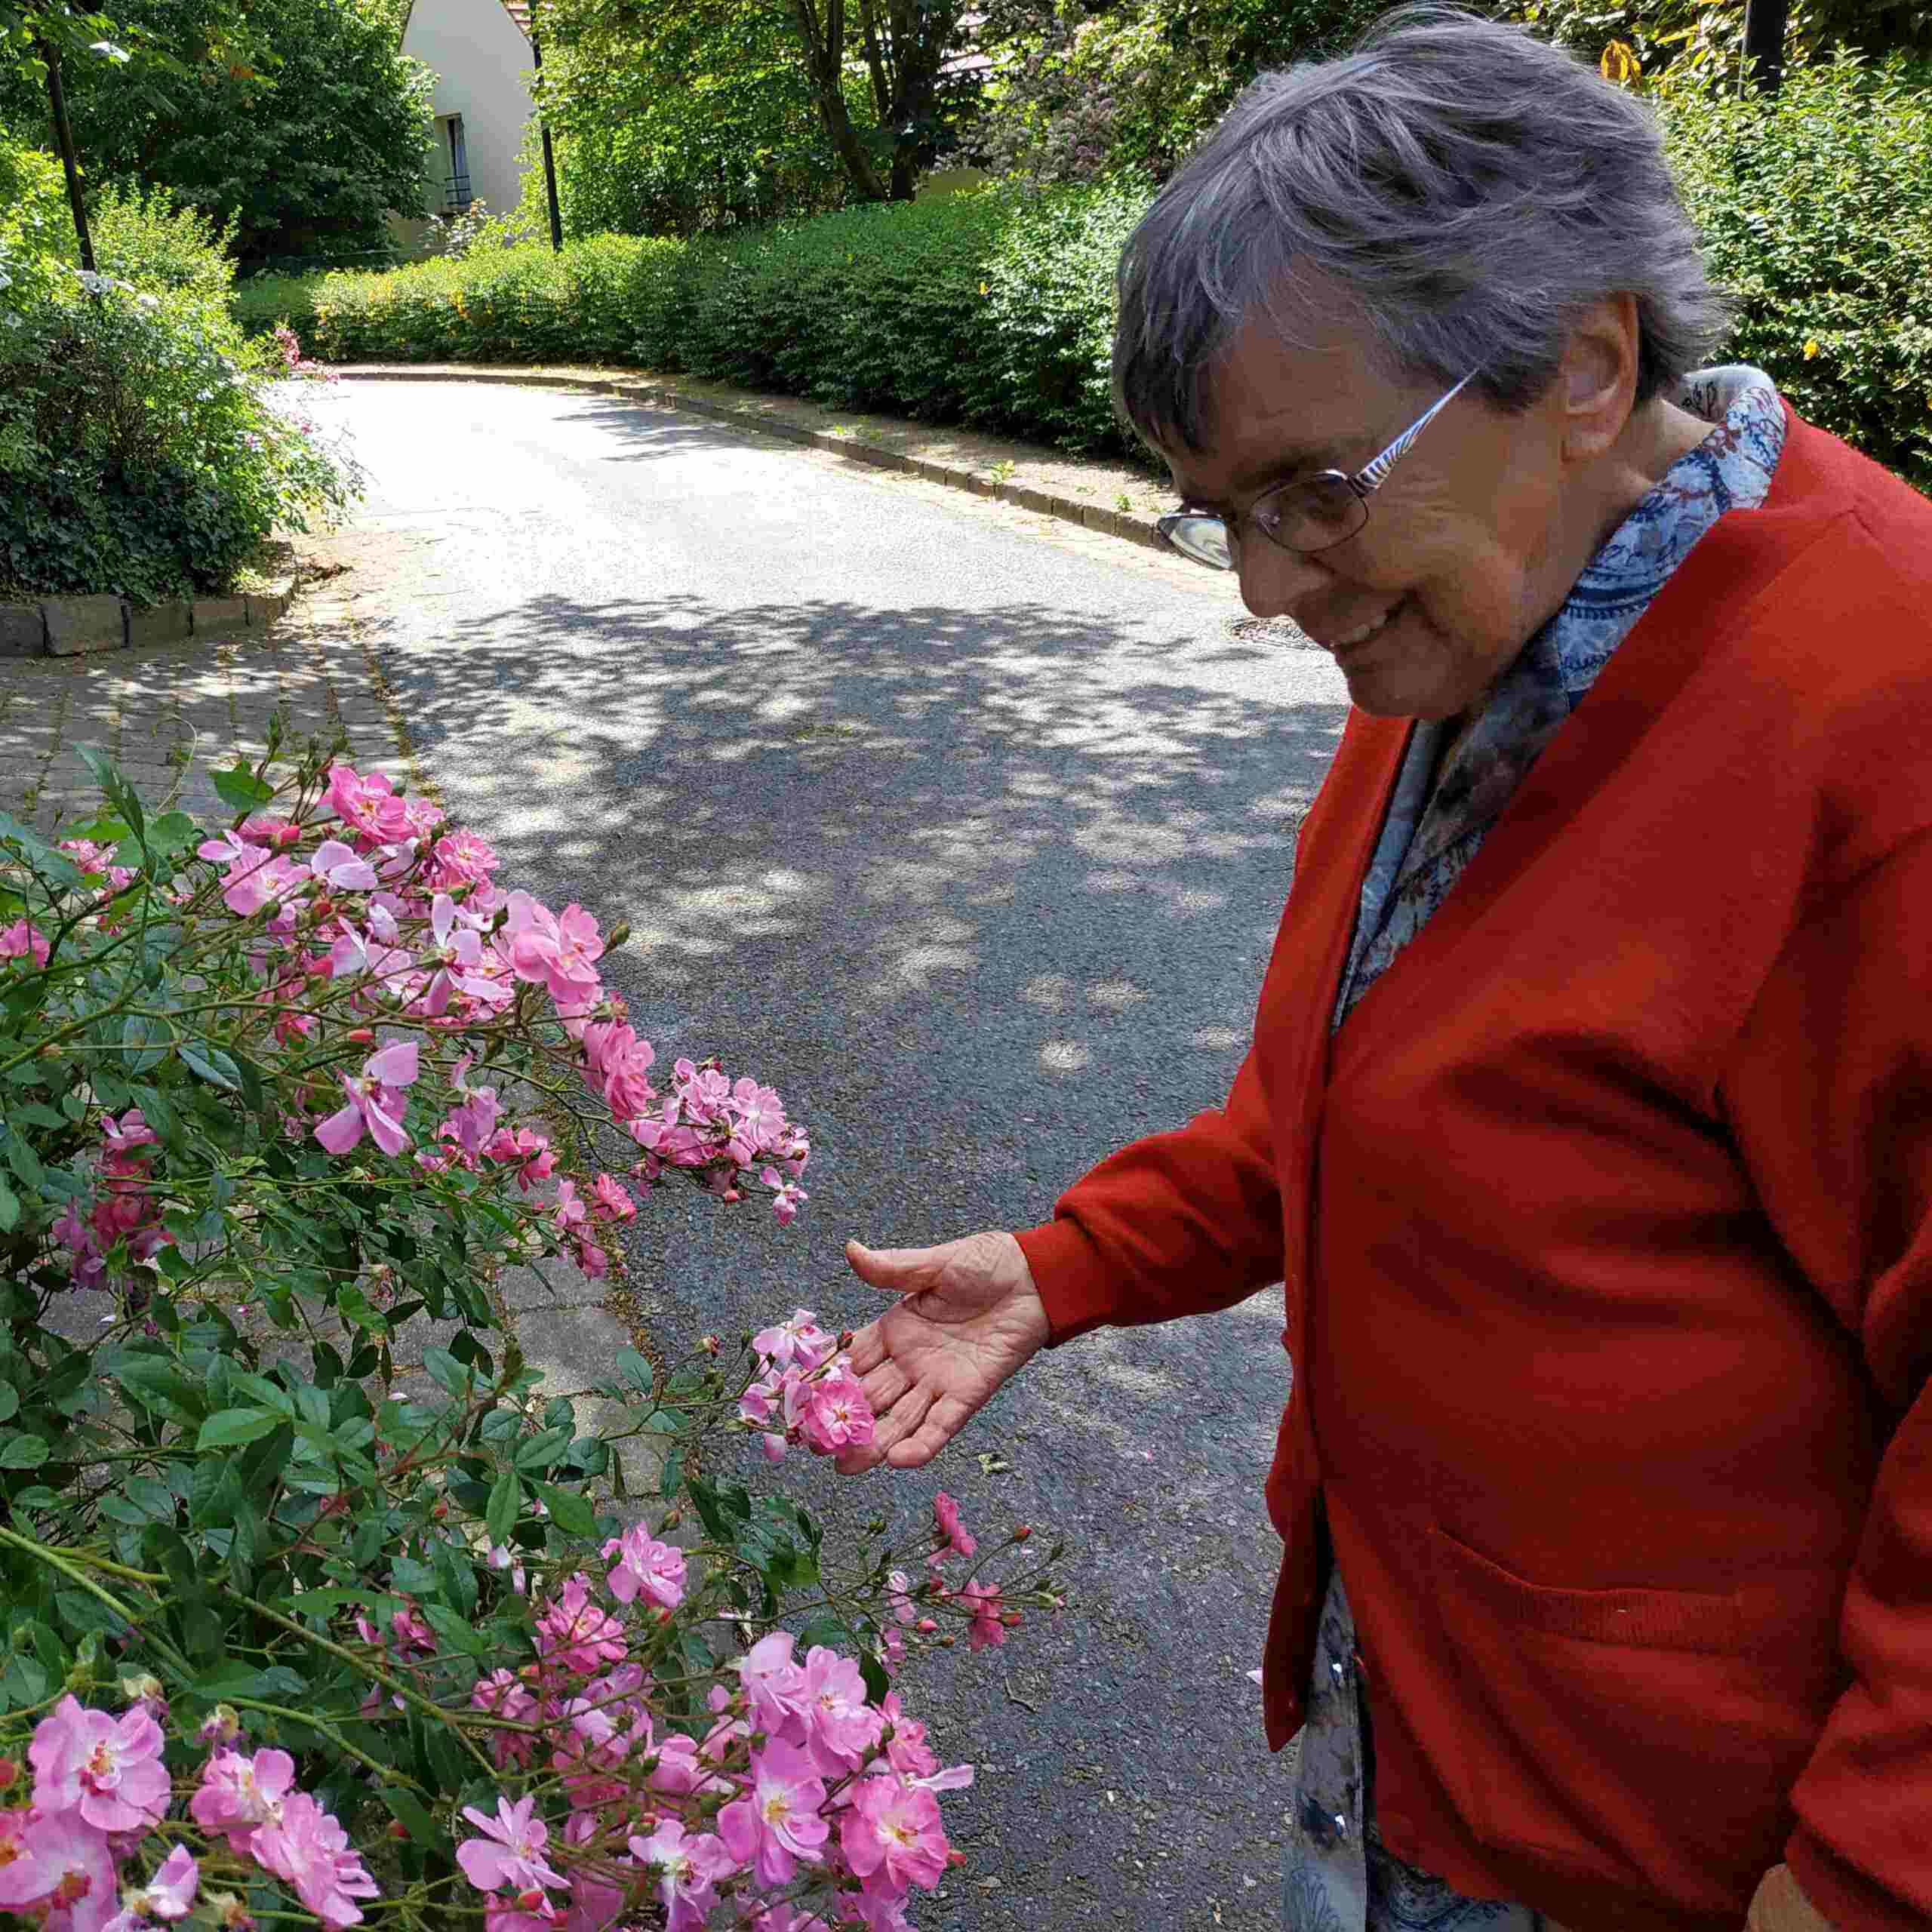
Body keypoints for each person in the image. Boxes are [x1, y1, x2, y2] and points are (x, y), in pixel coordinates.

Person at [830, 8, 1932, 1931]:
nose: (1259, 586)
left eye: (1308, 492)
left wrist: (1858, 1882)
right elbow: (1342, 1099)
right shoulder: (1470, 630)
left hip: (1677, 1870)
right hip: (1409, 1773)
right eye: (1217, 511)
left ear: (1581, 365)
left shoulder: (1879, 715)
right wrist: (1070, 1262)